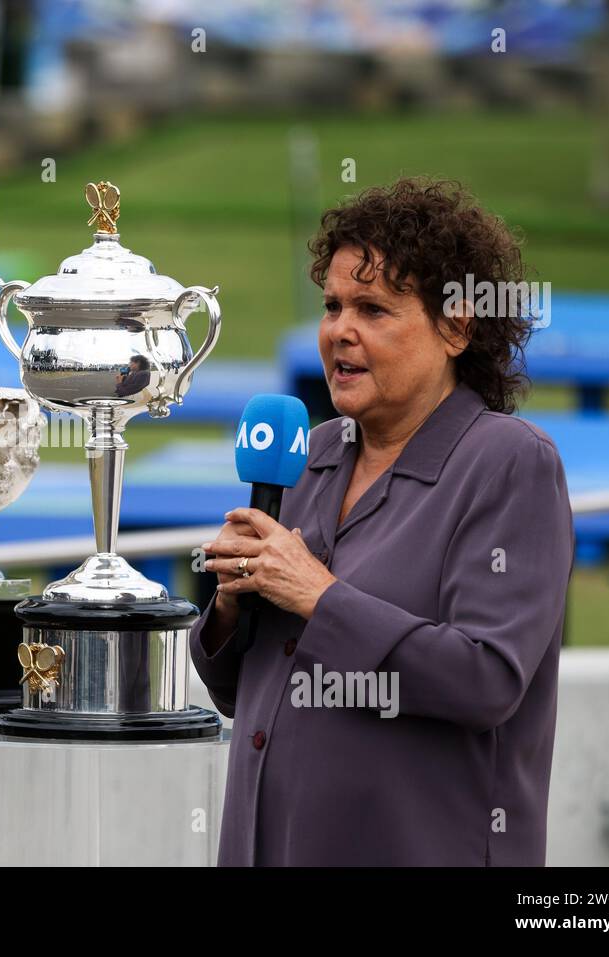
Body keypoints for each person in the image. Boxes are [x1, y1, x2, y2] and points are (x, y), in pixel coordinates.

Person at [196, 178, 574, 866]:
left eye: (373, 309)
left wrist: (319, 595)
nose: (340, 329)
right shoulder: (307, 457)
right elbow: (239, 692)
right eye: (333, 304)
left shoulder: (509, 463)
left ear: (458, 325)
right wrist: (229, 605)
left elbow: (486, 678)